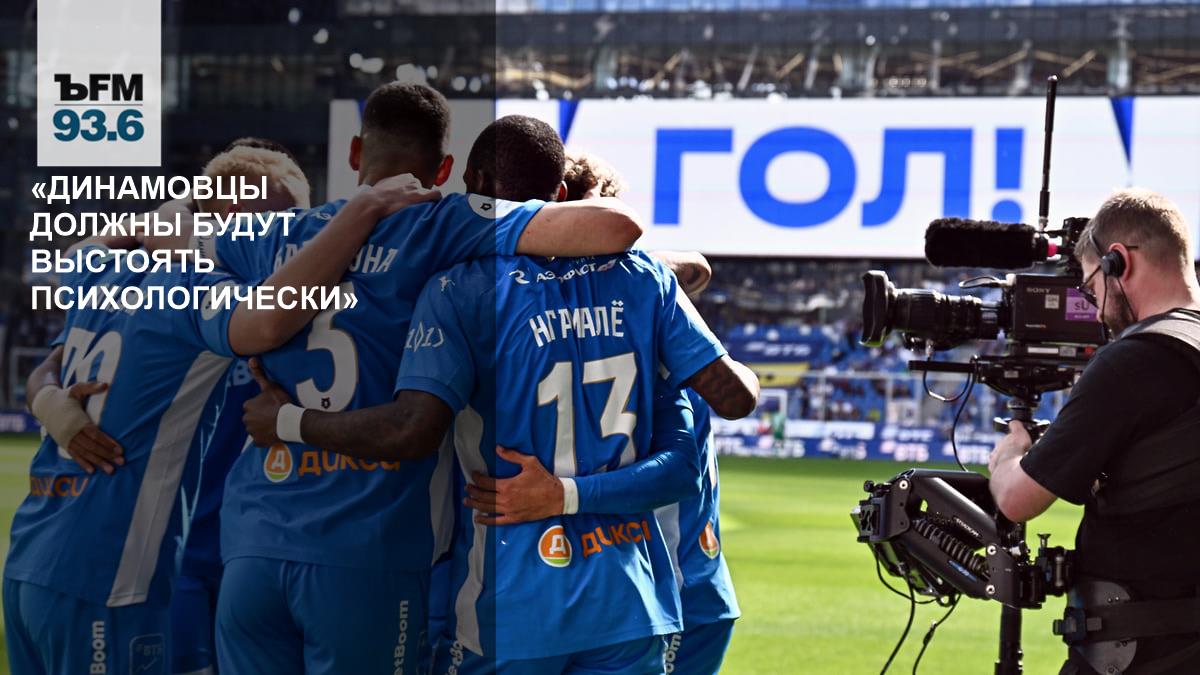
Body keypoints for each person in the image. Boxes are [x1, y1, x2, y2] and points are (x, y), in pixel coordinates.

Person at [205, 89, 646, 675]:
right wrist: (663, 271)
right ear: (444, 170)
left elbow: (148, 238)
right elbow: (616, 226)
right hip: (368, 548)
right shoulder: (443, 223)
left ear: (356, 152)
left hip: (253, 542)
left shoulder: (269, 235)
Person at [7, 174, 435, 675]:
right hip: (118, 571)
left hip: (51, 554)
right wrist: (363, 210)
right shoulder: (199, 295)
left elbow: (72, 271)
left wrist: (46, 398)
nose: (278, 242)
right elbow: (268, 320)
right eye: (269, 225)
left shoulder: (107, 276)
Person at [470, 152, 742, 675]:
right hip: (663, 591)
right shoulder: (644, 303)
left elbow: (682, 464)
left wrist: (563, 495)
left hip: (658, 588)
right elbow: (695, 269)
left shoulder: (635, 306)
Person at [988, 188, 1200, 674]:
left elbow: (1019, 499)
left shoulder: (1134, 360)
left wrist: (1008, 457)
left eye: (1089, 288)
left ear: (1118, 261)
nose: (1096, 310)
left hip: (1143, 651)